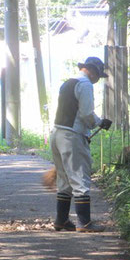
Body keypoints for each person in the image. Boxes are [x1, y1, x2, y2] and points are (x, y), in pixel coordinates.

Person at [50, 57, 112, 232]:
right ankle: (84, 223)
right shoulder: (85, 84)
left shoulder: (67, 83)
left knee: (64, 180)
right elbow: (86, 114)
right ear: (91, 71)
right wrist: (100, 122)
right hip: (72, 136)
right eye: (98, 75)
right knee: (80, 179)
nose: (98, 79)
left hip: (57, 134)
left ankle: (61, 220)